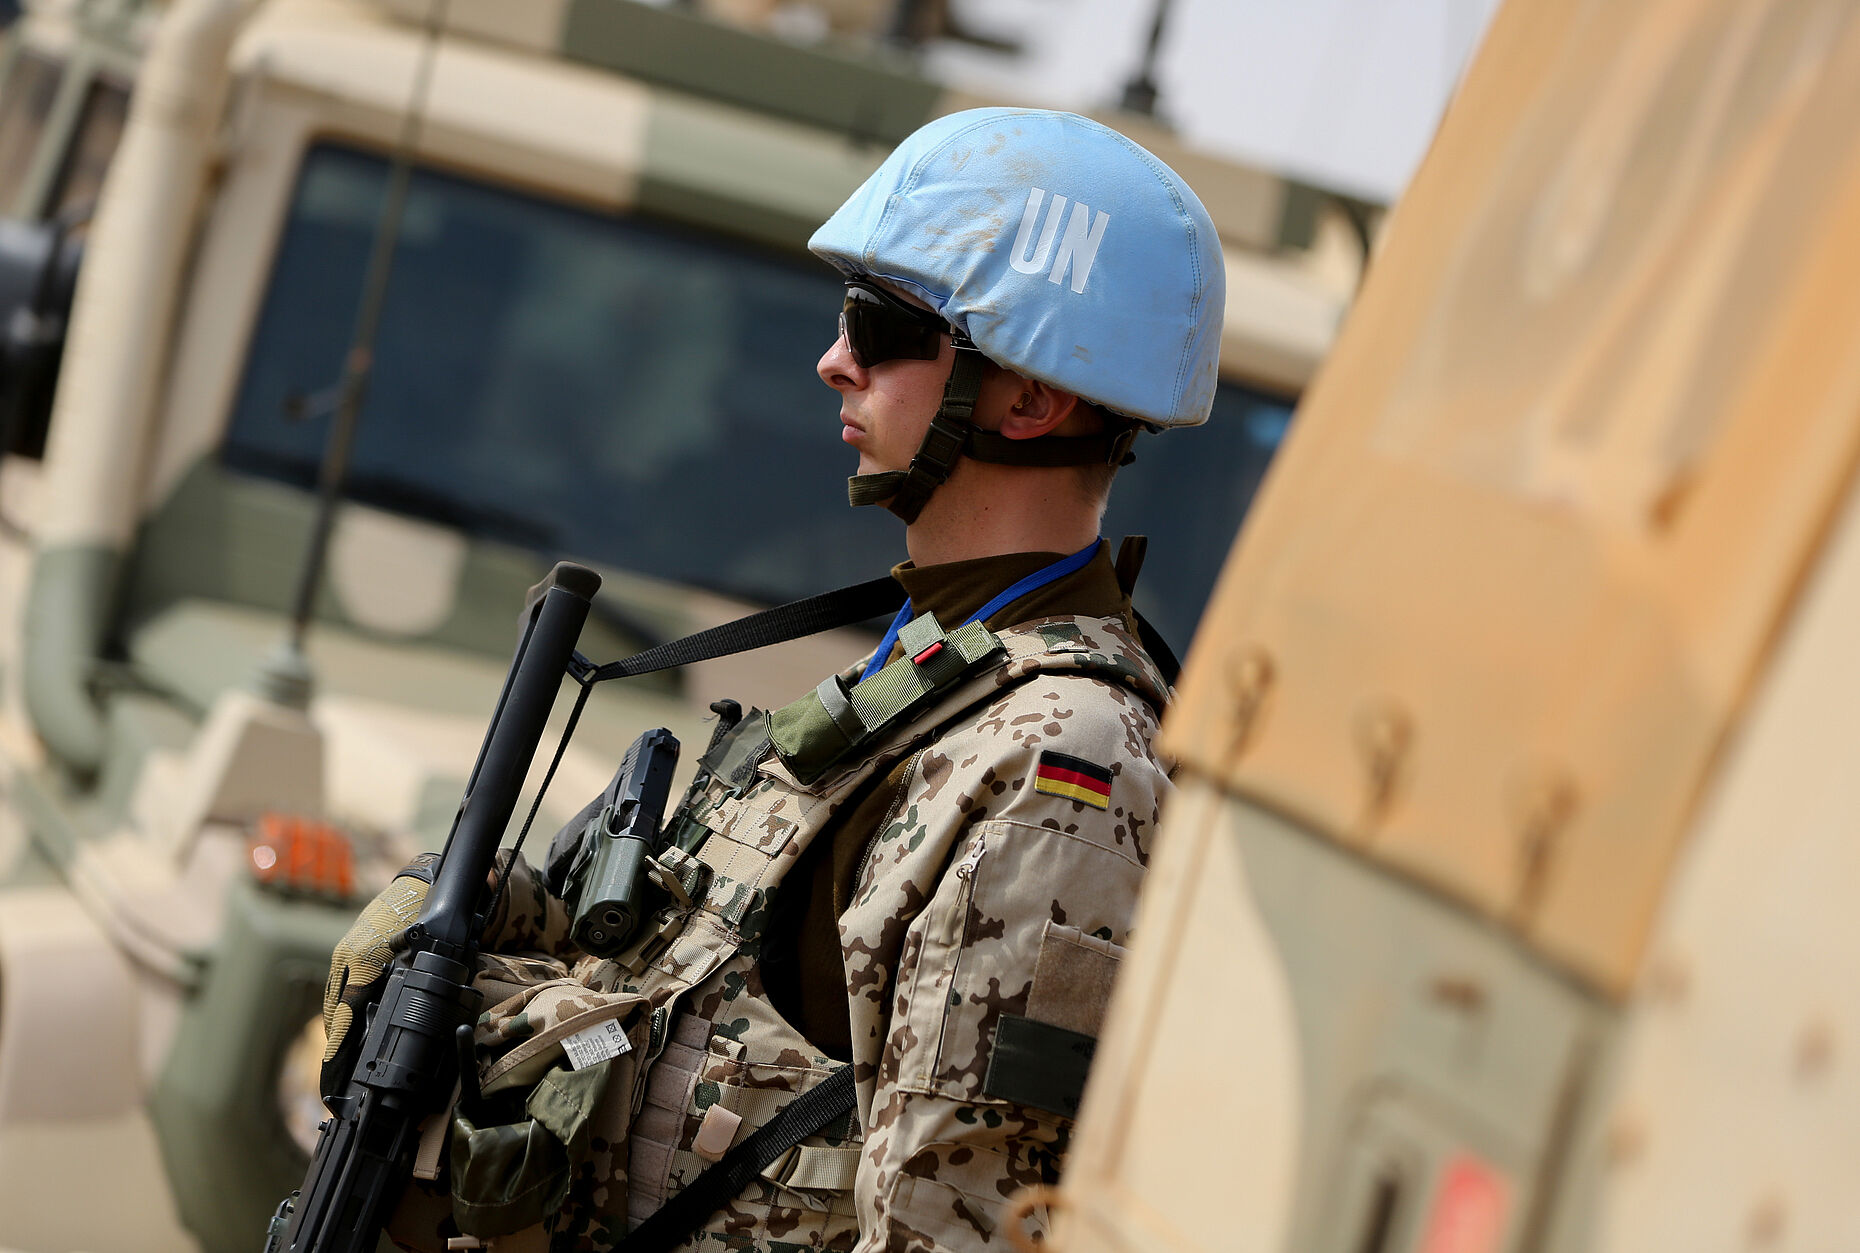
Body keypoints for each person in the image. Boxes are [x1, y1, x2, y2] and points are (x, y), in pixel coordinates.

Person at [328, 106, 1224, 1252]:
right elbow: (718, 990)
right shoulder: (940, 663)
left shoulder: (1064, 755)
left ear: (1031, 398)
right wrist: (496, 920)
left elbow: (951, 1221)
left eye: (881, 325)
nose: (833, 358)